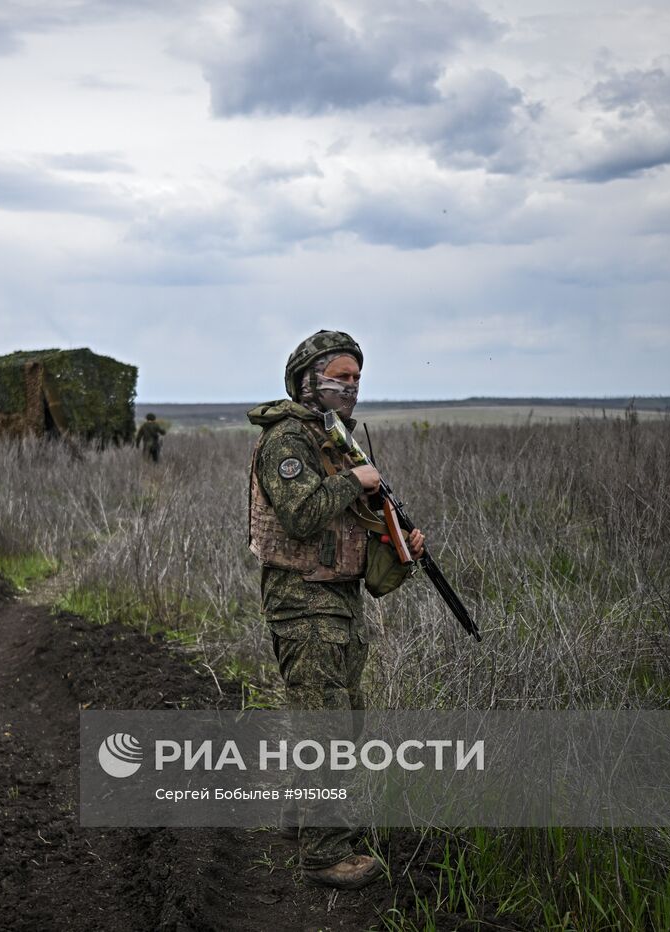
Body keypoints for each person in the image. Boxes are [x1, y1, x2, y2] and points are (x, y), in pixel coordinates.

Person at [246, 330, 425, 890]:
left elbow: (352, 519)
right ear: (308, 380)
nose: (350, 387)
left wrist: (399, 536)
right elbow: (300, 517)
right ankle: (326, 855)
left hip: (338, 597)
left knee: (338, 718)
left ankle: (301, 819)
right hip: (303, 599)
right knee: (327, 727)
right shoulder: (286, 441)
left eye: (355, 378)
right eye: (339, 377)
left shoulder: (335, 438)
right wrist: (355, 479)